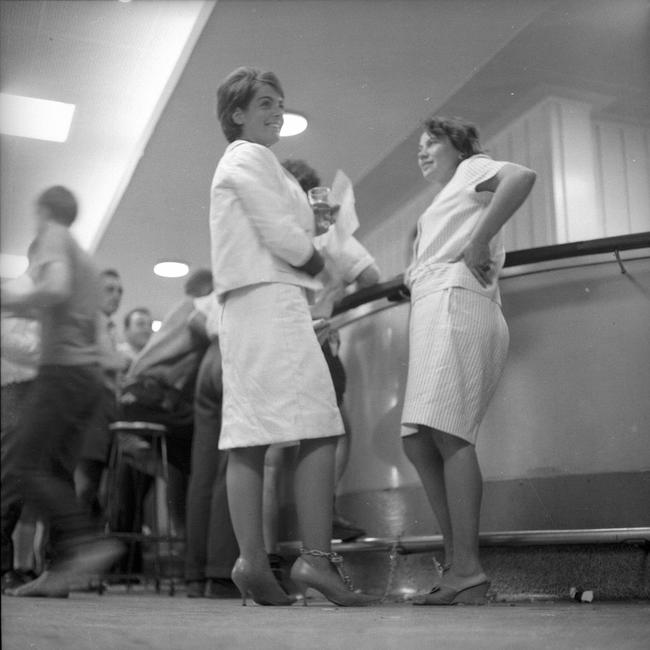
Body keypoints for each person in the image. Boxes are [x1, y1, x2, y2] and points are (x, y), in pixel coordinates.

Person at [210, 66, 376, 606]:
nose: (277, 112)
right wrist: (318, 261)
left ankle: (253, 563)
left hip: (249, 302)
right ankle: (316, 560)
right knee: (322, 425)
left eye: (280, 102)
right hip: (272, 299)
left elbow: (280, 224)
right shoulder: (250, 157)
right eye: (265, 103)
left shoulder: (253, 163)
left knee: (249, 434)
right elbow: (277, 232)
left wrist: (313, 224)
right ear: (236, 114)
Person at [401, 116, 536, 605]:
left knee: (447, 432)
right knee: (419, 441)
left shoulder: (473, 168)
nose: (422, 151)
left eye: (431, 142)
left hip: (459, 302)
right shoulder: (447, 195)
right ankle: (459, 564)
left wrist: (478, 241)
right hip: (438, 305)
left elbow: (521, 176)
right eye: (419, 145)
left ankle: (467, 569)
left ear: (460, 147)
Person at [1, 186, 123, 597]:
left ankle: (86, 543)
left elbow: (52, 289)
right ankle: (57, 573)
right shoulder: (82, 256)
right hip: (86, 377)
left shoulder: (52, 234)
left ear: (43, 211)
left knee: (22, 466)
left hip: (62, 371)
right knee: (55, 470)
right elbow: (56, 302)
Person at [281, 158, 381, 541]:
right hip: (319, 336)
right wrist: (338, 289)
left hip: (284, 337)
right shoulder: (327, 232)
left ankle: (286, 538)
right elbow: (371, 276)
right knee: (335, 430)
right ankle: (324, 518)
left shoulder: (276, 230)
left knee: (280, 447)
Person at [184, 289, 239, 598]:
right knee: (232, 463)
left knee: (202, 473)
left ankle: (195, 575)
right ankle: (221, 573)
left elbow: (194, 320)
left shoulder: (216, 287)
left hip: (209, 359)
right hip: (233, 351)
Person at [75, 269, 129, 529]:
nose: (116, 295)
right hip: (90, 409)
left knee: (92, 486)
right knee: (83, 484)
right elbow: (99, 360)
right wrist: (127, 361)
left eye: (120, 291)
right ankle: (59, 563)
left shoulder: (108, 328)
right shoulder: (88, 320)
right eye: (109, 289)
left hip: (105, 409)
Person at [1, 308, 40, 592]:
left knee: (18, 484)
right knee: (9, 481)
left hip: (31, 391)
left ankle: (12, 566)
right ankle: (3, 568)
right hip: (15, 388)